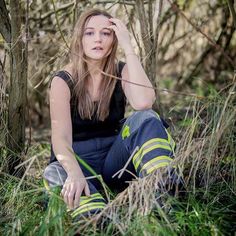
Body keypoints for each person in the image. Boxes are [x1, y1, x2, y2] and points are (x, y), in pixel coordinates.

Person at [43, 8, 177, 221]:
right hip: (79, 165)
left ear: (114, 39)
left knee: (147, 118)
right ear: (79, 38)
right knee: (54, 173)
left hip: (115, 164)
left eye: (106, 33)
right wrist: (75, 174)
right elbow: (60, 139)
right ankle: (98, 218)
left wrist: (128, 47)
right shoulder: (63, 81)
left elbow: (143, 102)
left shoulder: (121, 70)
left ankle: (161, 192)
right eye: (89, 33)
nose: (98, 39)